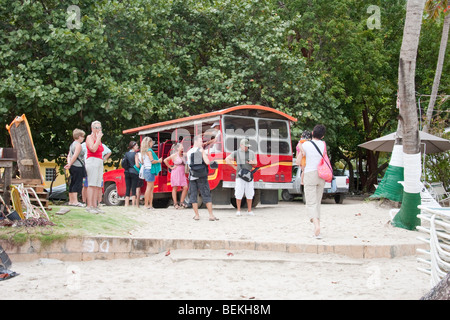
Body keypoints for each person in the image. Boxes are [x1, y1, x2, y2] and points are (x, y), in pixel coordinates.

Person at [297, 124, 327, 239]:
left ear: (312, 133)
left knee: (311, 202)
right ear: (323, 136)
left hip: (310, 174)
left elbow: (299, 160)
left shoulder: (306, 145)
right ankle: (317, 227)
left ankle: (316, 226)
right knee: (317, 202)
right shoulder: (323, 144)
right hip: (321, 174)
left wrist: (301, 143)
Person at [187, 135, 218, 221]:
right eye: (200, 141)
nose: (202, 143)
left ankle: (197, 215)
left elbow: (189, 165)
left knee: (193, 195)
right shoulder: (201, 151)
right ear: (196, 142)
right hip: (202, 176)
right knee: (206, 194)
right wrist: (203, 153)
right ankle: (211, 215)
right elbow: (207, 162)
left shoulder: (189, 152)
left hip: (193, 176)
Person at [225, 138, 257, 216]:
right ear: (241, 145)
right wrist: (234, 167)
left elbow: (255, 163)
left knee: (250, 193)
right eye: (245, 146)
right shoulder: (236, 153)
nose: (246, 147)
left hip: (249, 176)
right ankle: (238, 210)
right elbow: (227, 159)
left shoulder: (251, 153)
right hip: (239, 176)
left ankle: (249, 210)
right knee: (239, 192)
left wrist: (252, 162)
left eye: (247, 146)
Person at [85, 121, 105, 214]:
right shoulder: (89, 137)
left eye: (100, 127)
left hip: (99, 161)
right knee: (92, 184)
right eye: (96, 127)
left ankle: (95, 205)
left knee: (97, 185)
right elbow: (93, 149)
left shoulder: (98, 139)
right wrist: (98, 139)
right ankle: (89, 206)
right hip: (92, 160)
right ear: (92, 128)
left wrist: (98, 139)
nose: (98, 129)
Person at [64, 129, 86, 207]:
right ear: (79, 136)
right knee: (77, 183)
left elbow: (69, 155)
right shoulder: (78, 145)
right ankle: (75, 201)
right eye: (83, 136)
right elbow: (75, 155)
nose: (83, 138)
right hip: (78, 166)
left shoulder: (72, 144)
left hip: (72, 166)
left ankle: (71, 201)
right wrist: (70, 164)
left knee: (72, 182)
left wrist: (69, 163)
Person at [164, 143, 188, 209]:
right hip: (176, 172)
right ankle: (175, 203)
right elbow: (165, 160)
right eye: (181, 146)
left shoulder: (183, 155)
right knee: (175, 188)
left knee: (185, 187)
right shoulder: (174, 155)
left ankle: (181, 202)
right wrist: (170, 167)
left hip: (182, 173)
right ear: (177, 148)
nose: (182, 147)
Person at [141, 137, 162, 209]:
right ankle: (147, 204)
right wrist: (159, 161)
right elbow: (152, 161)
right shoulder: (149, 151)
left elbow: (142, 162)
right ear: (149, 142)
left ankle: (149, 204)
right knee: (149, 188)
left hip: (146, 170)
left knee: (150, 188)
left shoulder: (143, 152)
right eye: (151, 142)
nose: (152, 143)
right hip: (150, 170)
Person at [123, 141, 140, 207]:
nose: (137, 147)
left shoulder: (126, 154)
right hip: (134, 172)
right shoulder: (136, 154)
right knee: (133, 189)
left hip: (127, 172)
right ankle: (133, 204)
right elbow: (137, 165)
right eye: (136, 145)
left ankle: (126, 204)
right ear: (133, 146)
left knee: (127, 188)